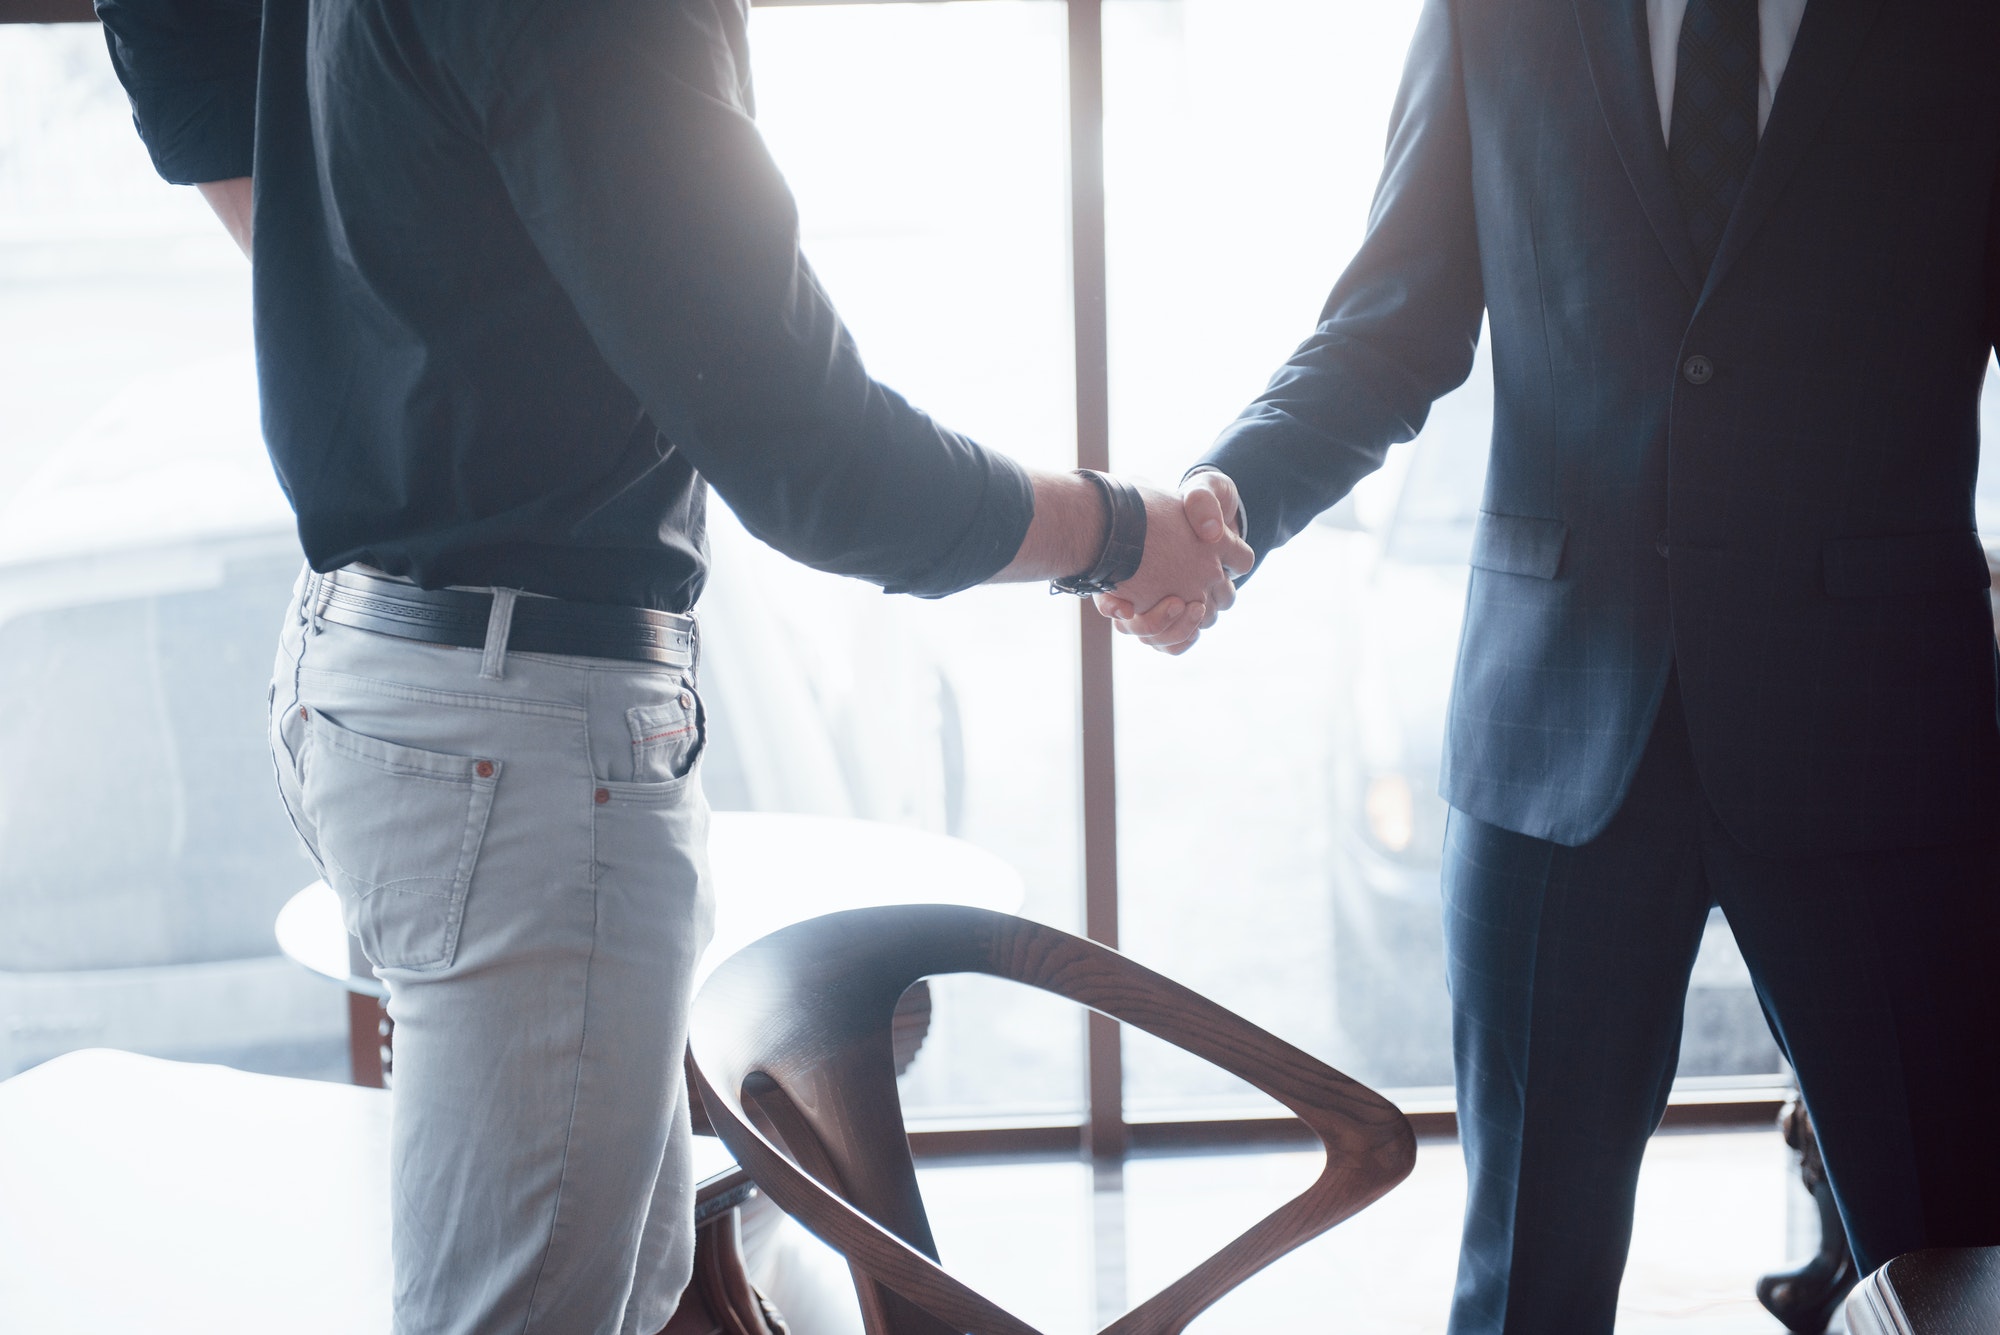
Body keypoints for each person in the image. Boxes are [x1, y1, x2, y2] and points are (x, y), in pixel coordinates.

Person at [93, 1, 1251, 1331]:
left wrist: (343, 270)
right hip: (513, 736)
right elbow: (814, 459)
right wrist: (1117, 532)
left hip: (391, 671)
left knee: (627, 1291)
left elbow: (168, 23)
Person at [1114, 0, 2000, 1330]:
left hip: (1881, 739)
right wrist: (1227, 500)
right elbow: (1391, 326)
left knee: (1950, 1274)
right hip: (1555, 743)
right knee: (1526, 1286)